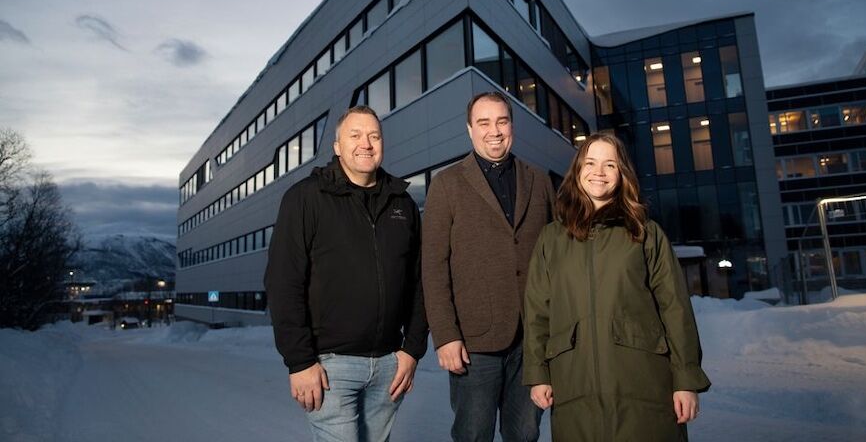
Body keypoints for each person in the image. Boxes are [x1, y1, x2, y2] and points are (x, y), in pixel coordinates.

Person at [523, 132, 711, 441]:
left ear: (622, 174)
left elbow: (675, 309)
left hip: (642, 385)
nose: (599, 172)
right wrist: (537, 374)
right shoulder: (551, 239)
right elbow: (536, 312)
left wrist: (685, 380)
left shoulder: (646, 233)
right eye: (591, 163)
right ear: (577, 170)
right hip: (574, 384)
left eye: (610, 165)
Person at [264, 106, 428, 442]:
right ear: (337, 146)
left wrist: (412, 350)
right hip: (330, 367)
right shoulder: (306, 198)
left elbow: (420, 283)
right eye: (355, 135)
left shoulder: (402, 203)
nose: (365, 143)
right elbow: (283, 283)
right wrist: (299, 361)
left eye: (374, 136)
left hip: (388, 366)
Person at [422, 91, 555, 441]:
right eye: (484, 122)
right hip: (473, 343)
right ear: (470, 129)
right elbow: (433, 267)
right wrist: (446, 336)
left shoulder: (539, 180)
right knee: (473, 434)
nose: (494, 131)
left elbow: (556, 255)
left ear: (511, 126)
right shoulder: (446, 184)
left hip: (532, 341)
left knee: (525, 433)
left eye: (502, 121)